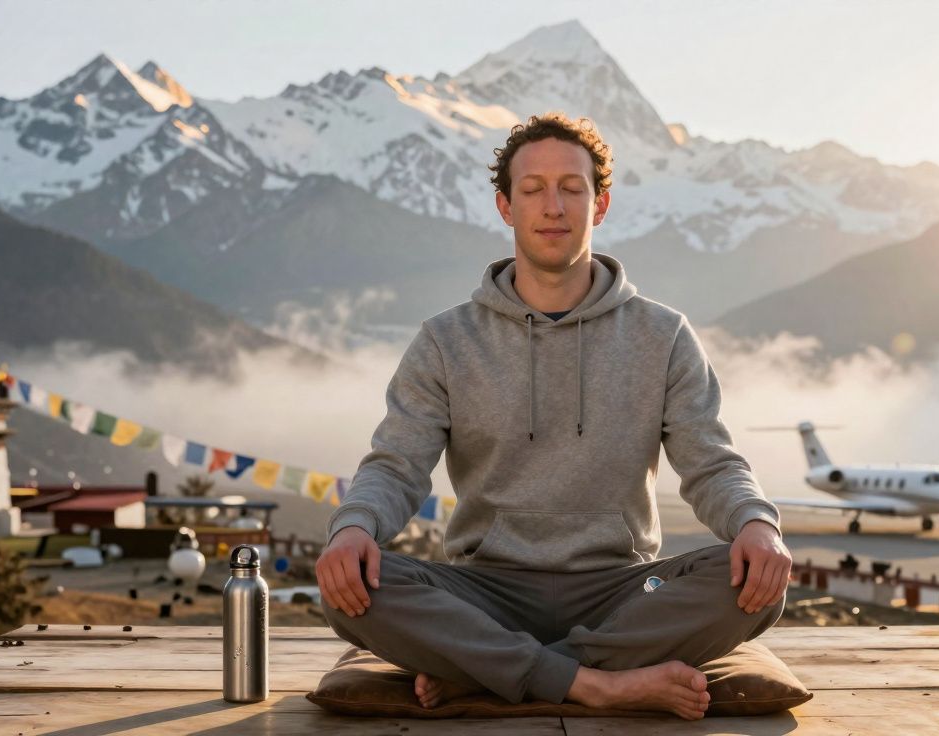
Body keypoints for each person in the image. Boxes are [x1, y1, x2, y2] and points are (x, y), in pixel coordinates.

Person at [316, 112, 791, 721]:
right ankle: (599, 683)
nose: (553, 206)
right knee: (353, 590)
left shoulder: (663, 335)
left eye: (572, 187)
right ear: (505, 206)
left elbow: (711, 461)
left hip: (625, 590)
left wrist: (757, 523)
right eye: (533, 189)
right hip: (484, 591)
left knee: (747, 581)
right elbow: (396, 465)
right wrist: (353, 529)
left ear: (601, 205)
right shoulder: (445, 340)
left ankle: (489, 672)